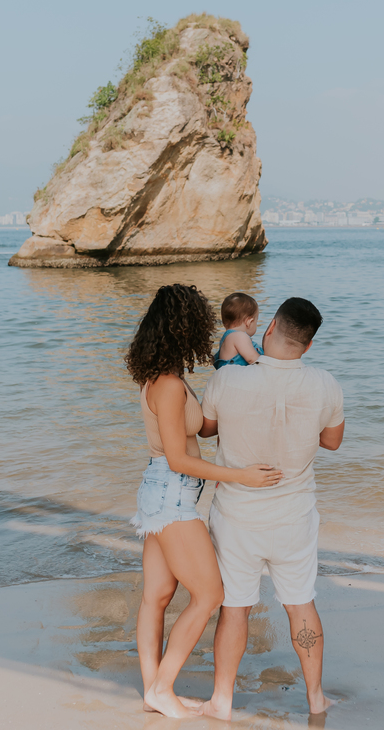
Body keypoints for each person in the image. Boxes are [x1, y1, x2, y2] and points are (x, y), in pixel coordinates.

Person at [124, 284, 284, 718]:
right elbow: (179, 458)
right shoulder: (172, 385)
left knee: (156, 596)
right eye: (200, 323)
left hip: (159, 491)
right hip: (172, 496)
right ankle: (161, 688)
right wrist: (242, 477)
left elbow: (189, 437)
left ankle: (152, 690)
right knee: (211, 594)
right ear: (184, 329)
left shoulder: (159, 378)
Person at [198, 297, 345, 719]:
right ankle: (316, 698)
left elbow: (207, 432)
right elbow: (332, 441)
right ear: (309, 345)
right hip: (294, 518)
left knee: (236, 607)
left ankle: (222, 701)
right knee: (300, 603)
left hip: (237, 518)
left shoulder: (228, 381)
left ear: (270, 327)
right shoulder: (325, 384)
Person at [214, 292, 263, 369]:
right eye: (256, 321)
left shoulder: (226, 339)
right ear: (249, 322)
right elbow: (252, 358)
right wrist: (268, 366)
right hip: (237, 378)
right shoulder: (240, 336)